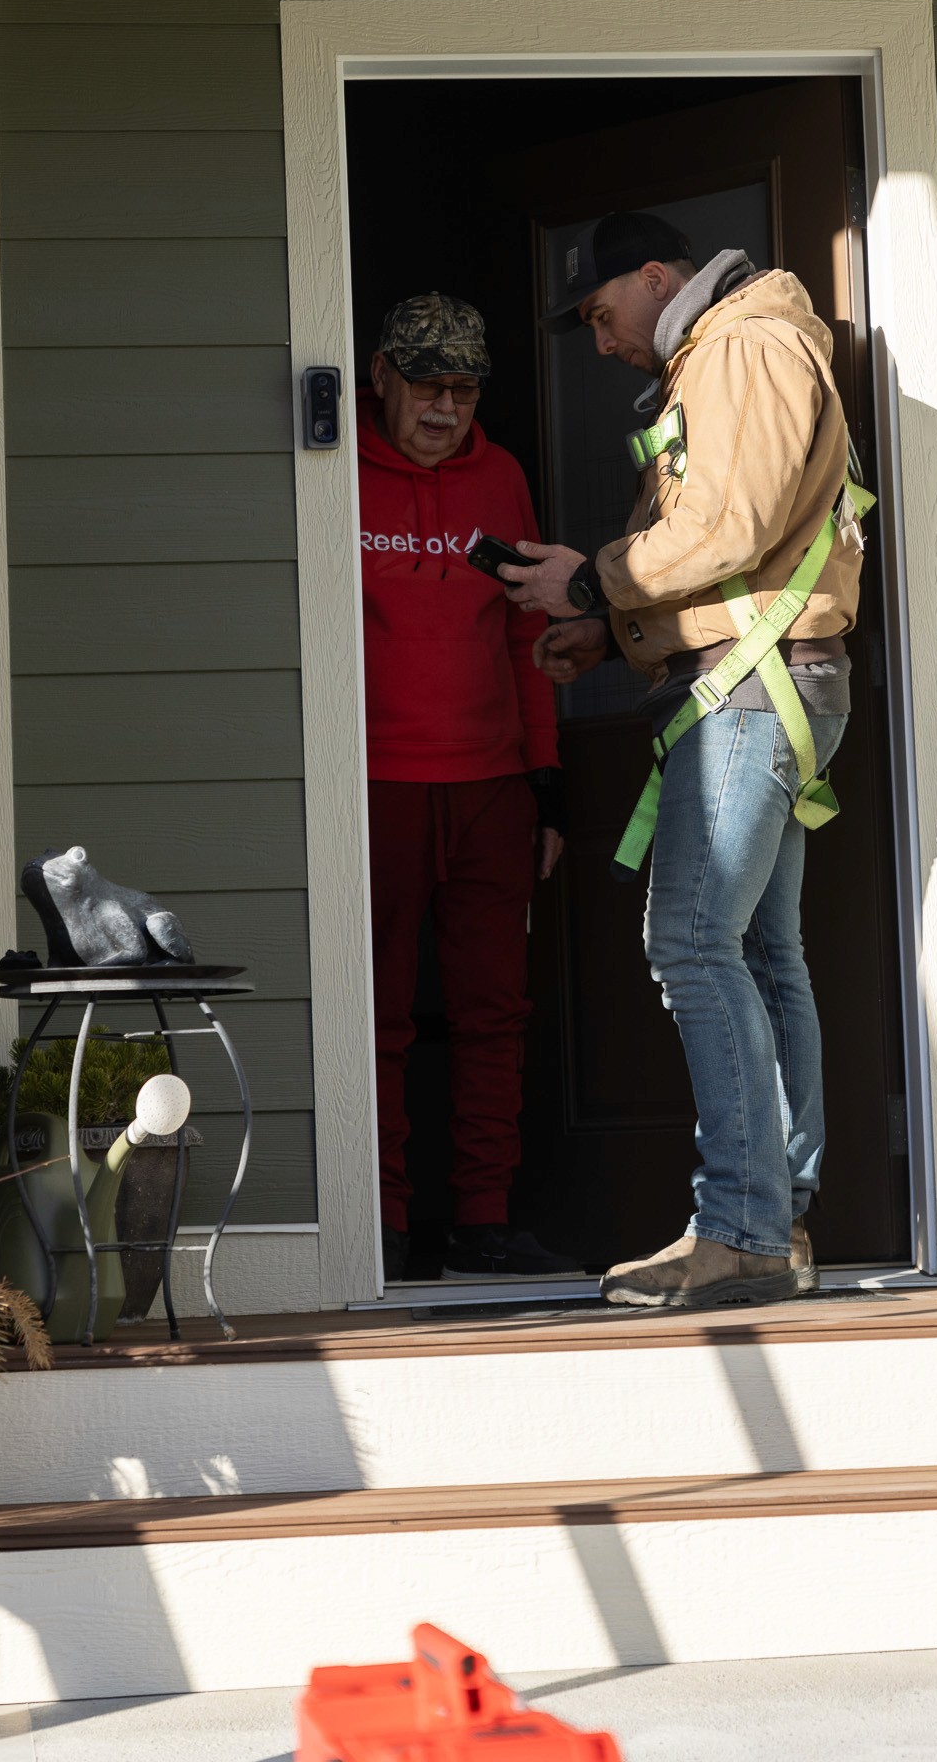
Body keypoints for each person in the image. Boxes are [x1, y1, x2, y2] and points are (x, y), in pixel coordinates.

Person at [499, 213, 865, 1310]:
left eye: (602, 315)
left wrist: (589, 580)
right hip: (769, 672)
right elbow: (745, 544)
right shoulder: (738, 345)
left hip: (755, 687)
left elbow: (729, 525)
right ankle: (775, 1217)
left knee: (692, 939)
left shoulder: (742, 347)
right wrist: (610, 631)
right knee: (758, 950)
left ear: (655, 276)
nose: (602, 342)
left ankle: (743, 1228)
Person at [358, 291, 575, 1281]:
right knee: (379, 1015)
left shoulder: (503, 476)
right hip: (374, 784)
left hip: (492, 786)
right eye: (427, 386)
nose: (445, 408)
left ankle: (486, 1218)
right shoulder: (337, 476)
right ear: (382, 379)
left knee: (496, 1009)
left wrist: (548, 784)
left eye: (463, 388)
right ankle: (385, 1222)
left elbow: (533, 632)